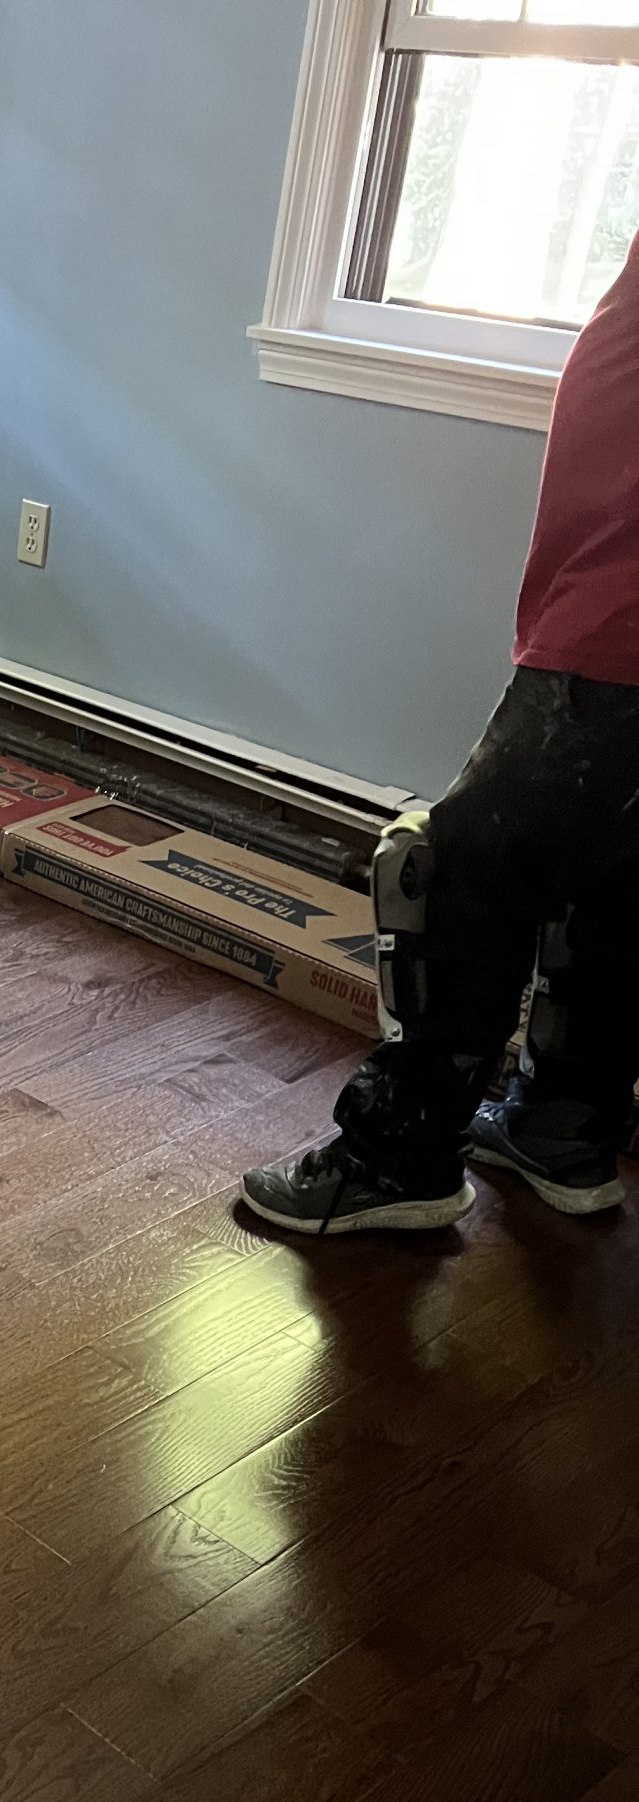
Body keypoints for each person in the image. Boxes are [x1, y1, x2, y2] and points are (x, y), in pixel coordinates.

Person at [243, 229, 639, 1236]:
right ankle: (562, 1128)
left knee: (461, 871)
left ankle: (399, 1157)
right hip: (605, 600)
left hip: (621, 620)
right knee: (614, 884)